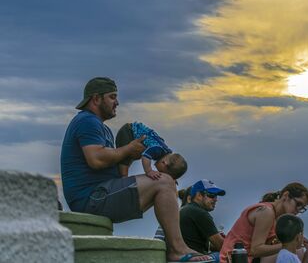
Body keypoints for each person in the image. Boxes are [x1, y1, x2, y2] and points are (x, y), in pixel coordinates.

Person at [60, 77, 213, 263]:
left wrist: (131, 156)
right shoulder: (87, 121)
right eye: (112, 97)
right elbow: (96, 159)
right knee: (164, 182)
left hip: (101, 193)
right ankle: (177, 249)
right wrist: (128, 149)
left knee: (166, 182)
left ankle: (176, 247)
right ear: (96, 99)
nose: (117, 102)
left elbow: (117, 172)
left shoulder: (103, 129)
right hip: (91, 197)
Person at [219, 182, 308, 263]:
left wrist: (305, 254)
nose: (298, 210)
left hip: (246, 258)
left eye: (302, 208)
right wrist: (289, 244)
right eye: (298, 204)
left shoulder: (277, 217)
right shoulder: (266, 212)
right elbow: (255, 250)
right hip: (234, 259)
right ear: (286, 195)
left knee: (299, 251)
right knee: (296, 251)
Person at [115, 122, 187, 180]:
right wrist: (149, 171)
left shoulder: (165, 150)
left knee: (129, 157)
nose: (158, 173)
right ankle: (123, 178)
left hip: (132, 130)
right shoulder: (157, 150)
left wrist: (172, 179)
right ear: (164, 163)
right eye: (161, 171)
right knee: (124, 160)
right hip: (128, 131)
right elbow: (145, 156)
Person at [180, 180, 226, 263]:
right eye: (211, 195)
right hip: (193, 258)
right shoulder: (200, 213)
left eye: (216, 196)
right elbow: (222, 246)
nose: (216, 199)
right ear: (199, 195)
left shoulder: (184, 210)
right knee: (234, 253)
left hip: (181, 257)